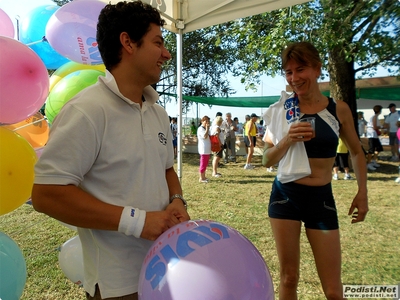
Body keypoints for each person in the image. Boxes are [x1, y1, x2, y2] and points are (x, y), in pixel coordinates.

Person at [31, 2, 190, 299]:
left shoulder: (156, 111)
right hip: (119, 285)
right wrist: (138, 222)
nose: (167, 53)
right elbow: (46, 194)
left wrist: (177, 200)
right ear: (128, 42)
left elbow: (166, 168)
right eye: (158, 42)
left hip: (167, 268)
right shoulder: (87, 110)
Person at [263, 42, 368, 300]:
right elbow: (266, 160)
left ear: (318, 69)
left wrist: (362, 191)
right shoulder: (282, 110)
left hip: (321, 198)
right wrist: (287, 139)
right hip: (285, 196)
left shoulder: (338, 109)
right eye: (288, 72)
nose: (294, 78)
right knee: (289, 278)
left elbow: (356, 151)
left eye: (301, 69)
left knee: (333, 289)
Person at [366, 105, 384, 171]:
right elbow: (374, 127)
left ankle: (373, 160)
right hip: (371, 134)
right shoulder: (374, 117)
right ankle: (368, 163)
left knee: (379, 148)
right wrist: (382, 127)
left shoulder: (376, 117)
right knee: (371, 149)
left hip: (374, 134)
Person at [197, 115, 211, 183]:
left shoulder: (205, 129)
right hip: (203, 149)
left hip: (207, 149)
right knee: (203, 164)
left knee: (205, 164)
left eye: (208, 121)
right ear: (202, 121)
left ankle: (204, 176)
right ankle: (201, 178)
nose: (207, 122)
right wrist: (207, 129)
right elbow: (205, 136)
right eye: (206, 121)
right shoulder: (201, 129)